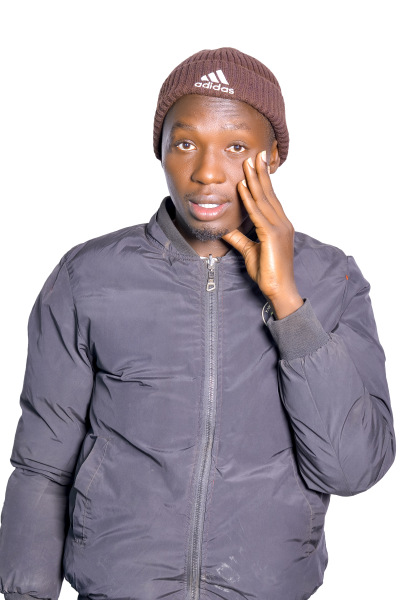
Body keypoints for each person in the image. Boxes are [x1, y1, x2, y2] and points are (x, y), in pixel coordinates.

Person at [0, 47, 395, 600]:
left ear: (273, 156)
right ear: (160, 149)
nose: (207, 173)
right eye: (185, 143)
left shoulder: (332, 280)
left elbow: (353, 470)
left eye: (236, 147)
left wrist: (287, 302)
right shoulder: (87, 278)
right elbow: (42, 465)